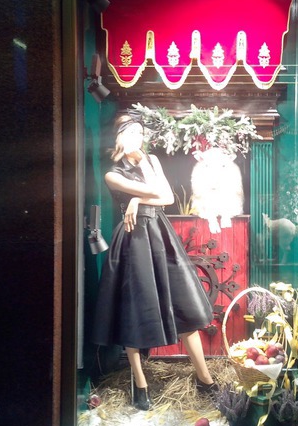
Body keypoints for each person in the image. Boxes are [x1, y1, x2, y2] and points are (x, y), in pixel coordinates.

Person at [92, 111, 217, 410]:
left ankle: (205, 379)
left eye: (141, 132)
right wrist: (140, 193)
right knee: (133, 309)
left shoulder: (152, 161)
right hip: (133, 239)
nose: (139, 138)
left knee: (183, 303)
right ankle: (140, 383)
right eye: (132, 132)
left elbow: (167, 197)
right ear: (119, 137)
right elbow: (154, 191)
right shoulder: (112, 174)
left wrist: (136, 199)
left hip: (160, 235)